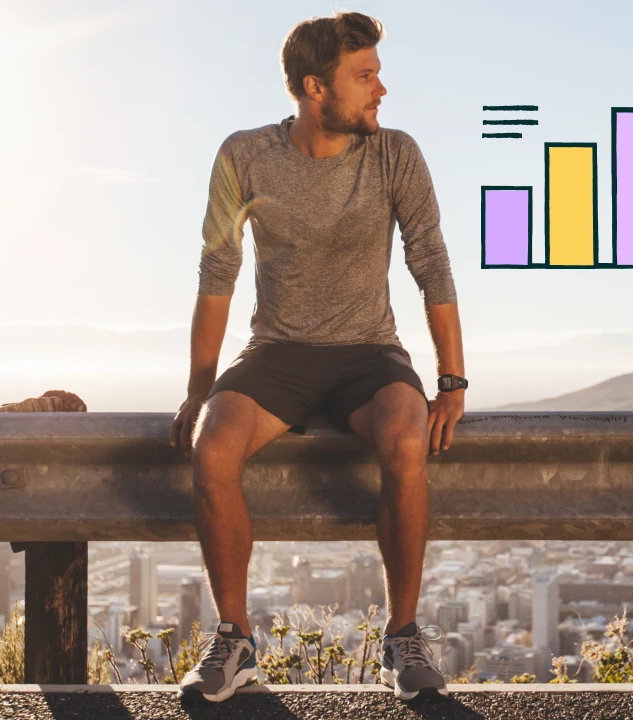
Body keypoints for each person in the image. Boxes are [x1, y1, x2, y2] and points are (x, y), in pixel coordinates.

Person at [168, 11, 465, 702]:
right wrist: (199, 389)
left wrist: (451, 381)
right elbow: (218, 274)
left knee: (405, 436)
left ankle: (403, 637)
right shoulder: (242, 155)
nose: (381, 90)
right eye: (365, 77)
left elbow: (433, 265)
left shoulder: (397, 155)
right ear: (315, 88)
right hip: (277, 354)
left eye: (378, 74)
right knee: (211, 450)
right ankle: (234, 640)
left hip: (370, 355)